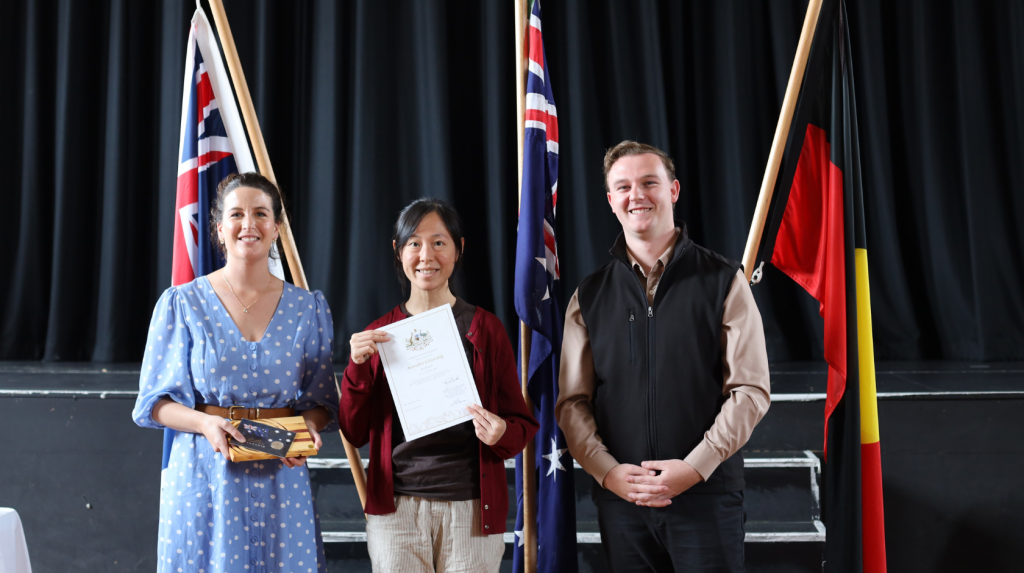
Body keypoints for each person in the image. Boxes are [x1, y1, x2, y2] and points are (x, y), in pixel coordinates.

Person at [555, 141, 771, 572]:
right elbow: (572, 402)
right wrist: (609, 473)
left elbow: (750, 391)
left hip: (706, 496)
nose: (637, 195)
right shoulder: (590, 295)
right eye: (623, 186)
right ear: (611, 199)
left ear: (672, 190)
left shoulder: (724, 280)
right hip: (623, 502)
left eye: (649, 182)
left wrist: (694, 467)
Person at [132, 172, 339, 573]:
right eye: (237, 214)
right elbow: (153, 404)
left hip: (282, 477)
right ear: (219, 227)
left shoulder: (307, 308)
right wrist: (207, 425)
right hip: (205, 473)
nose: (249, 224)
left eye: (261, 214)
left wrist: (308, 431)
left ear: (276, 228)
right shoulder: (182, 303)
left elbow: (321, 403)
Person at [339, 198, 538, 573]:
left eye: (439, 242)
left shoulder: (486, 329)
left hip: (471, 508)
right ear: (398, 252)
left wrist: (500, 433)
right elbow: (352, 431)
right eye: (413, 243)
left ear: (459, 249)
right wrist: (357, 368)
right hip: (396, 509)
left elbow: (521, 426)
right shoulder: (378, 336)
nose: (426, 254)